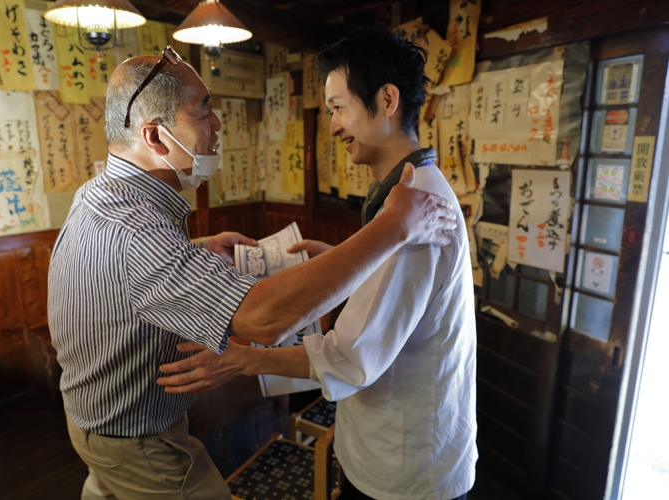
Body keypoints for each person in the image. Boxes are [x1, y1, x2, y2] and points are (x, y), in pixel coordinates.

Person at [47, 42, 458, 500]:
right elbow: (263, 319)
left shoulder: (100, 194)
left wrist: (196, 249)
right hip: (135, 440)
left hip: (93, 422)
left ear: (387, 101)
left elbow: (116, 265)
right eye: (203, 111)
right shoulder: (408, 212)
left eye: (338, 106)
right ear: (156, 138)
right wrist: (395, 227)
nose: (218, 123)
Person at [157, 25, 478, 500]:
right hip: (393, 444)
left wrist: (245, 360)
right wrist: (342, 265)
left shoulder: (414, 207)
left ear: (387, 101)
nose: (332, 127)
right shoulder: (408, 193)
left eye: (338, 108)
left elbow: (350, 359)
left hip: (407, 465)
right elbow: (399, 303)